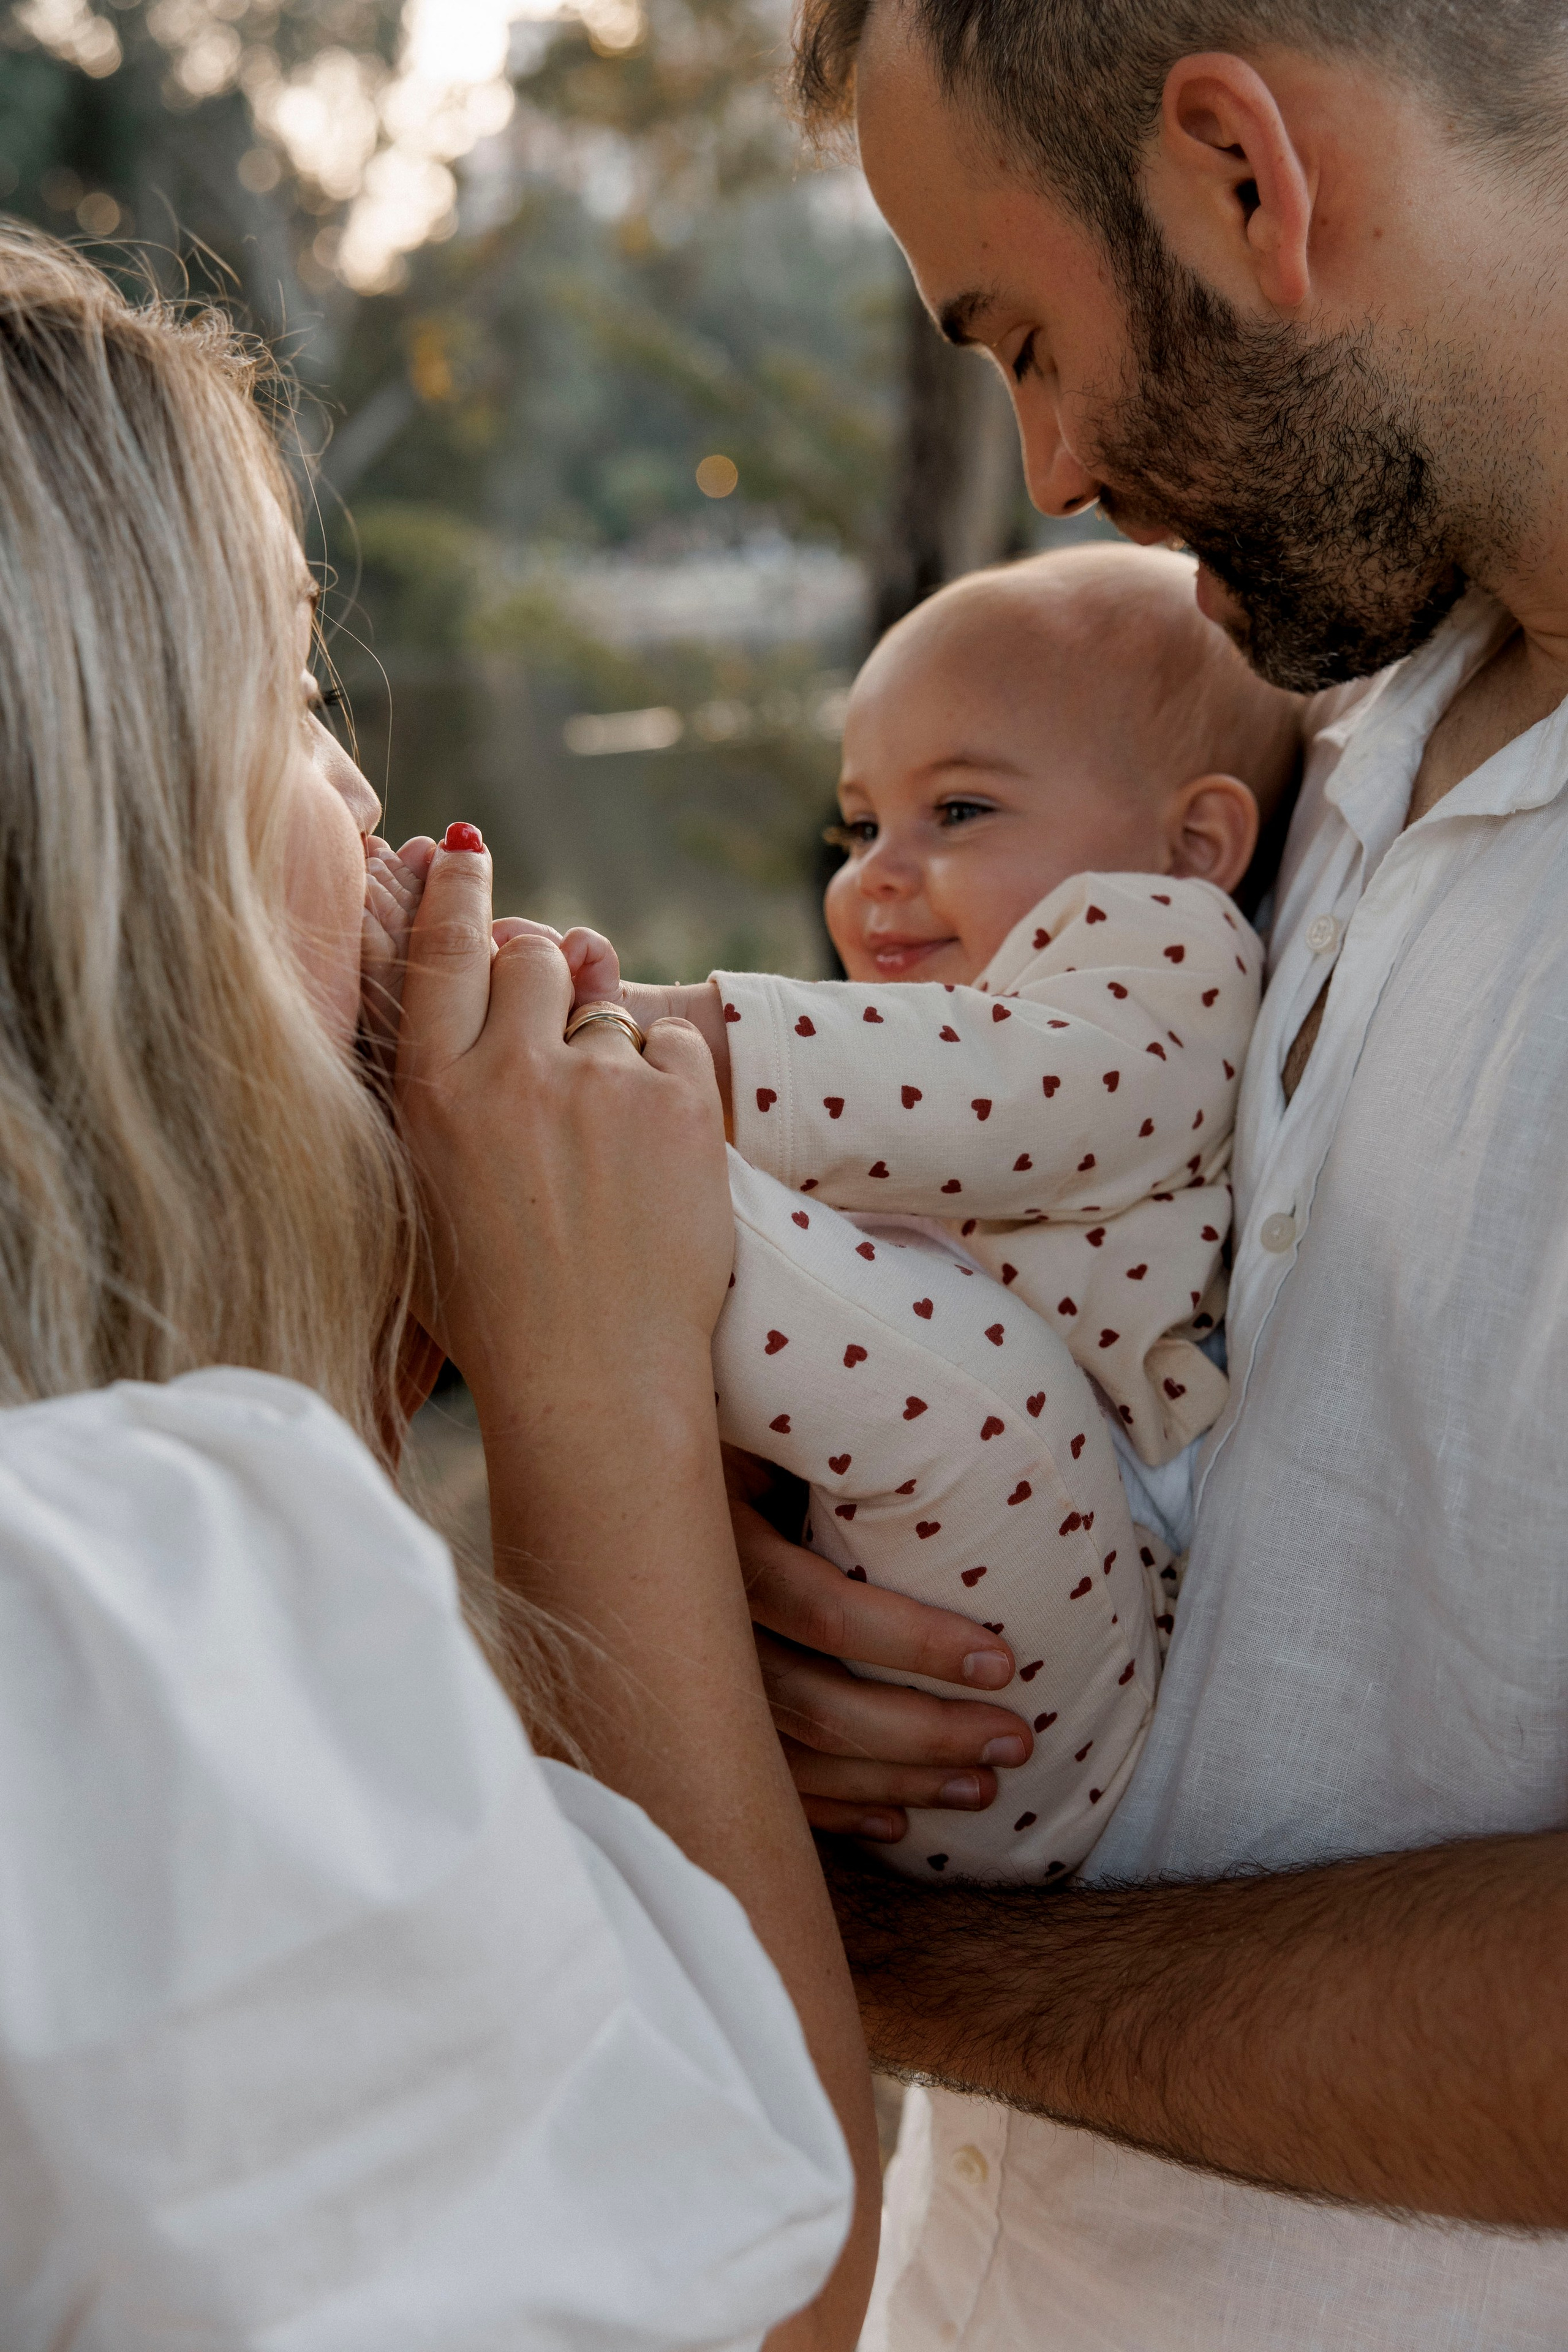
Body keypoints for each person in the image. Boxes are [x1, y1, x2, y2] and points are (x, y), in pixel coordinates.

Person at [705, 0, 1568, 2344]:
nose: (1056, 462)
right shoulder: (1300, 735)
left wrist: (855, 1942)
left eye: (1022, 339)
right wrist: (802, 1576)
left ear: (1240, 175)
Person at [0, 227, 880, 2348]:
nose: (372, 794)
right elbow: (761, 2288)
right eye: (295, 694)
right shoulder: (125, 1609)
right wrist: (599, 1386)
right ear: (116, 836)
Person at [511, 546, 1298, 1882]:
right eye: (858, 826)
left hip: (1071, 1701)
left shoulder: (1171, 975)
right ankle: (527, 1145)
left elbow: (983, 1088)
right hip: (907, 1673)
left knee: (976, 1381)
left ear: (1193, 845)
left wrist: (668, 1032)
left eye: (961, 812)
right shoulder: (950, 1038)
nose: (878, 872)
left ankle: (529, 1118)